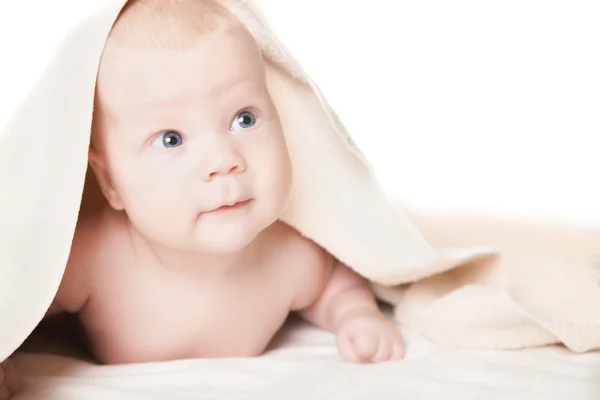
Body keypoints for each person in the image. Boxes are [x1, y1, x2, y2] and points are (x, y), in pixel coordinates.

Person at [1, 0, 404, 396]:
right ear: (110, 182)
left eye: (244, 118)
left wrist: (355, 315)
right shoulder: (90, 261)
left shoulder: (287, 257)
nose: (223, 160)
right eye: (171, 139)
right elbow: (19, 295)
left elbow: (332, 283)